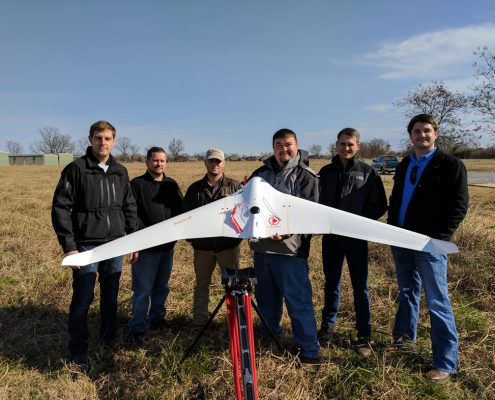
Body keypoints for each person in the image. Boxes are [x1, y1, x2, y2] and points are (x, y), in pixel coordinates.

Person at [387, 114, 468, 381]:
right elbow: (397, 198)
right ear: (410, 135)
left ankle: (445, 362)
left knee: (437, 300)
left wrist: (439, 238)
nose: (421, 135)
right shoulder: (404, 164)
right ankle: (402, 341)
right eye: (416, 131)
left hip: (430, 244)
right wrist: (391, 228)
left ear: (436, 133)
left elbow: (459, 206)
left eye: (426, 131)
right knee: (407, 292)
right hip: (401, 241)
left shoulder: (450, 165)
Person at [51, 120, 139, 367]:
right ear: (90, 139)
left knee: (110, 296)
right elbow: (60, 208)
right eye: (99, 138)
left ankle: (108, 338)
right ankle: (78, 349)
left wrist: (133, 240)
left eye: (108, 138)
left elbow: (129, 207)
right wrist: (69, 246)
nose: (103, 142)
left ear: (114, 141)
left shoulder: (120, 171)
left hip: (114, 245)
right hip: (86, 246)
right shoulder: (76, 169)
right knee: (83, 298)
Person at [249, 128, 320, 363]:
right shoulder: (259, 174)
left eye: (288, 144)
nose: (284, 149)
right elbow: (249, 204)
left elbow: (310, 213)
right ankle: (269, 336)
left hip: (290, 253)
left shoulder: (306, 176)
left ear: (296, 146)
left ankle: (308, 349)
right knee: (266, 299)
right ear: (273, 148)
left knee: (298, 302)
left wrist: (285, 231)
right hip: (261, 251)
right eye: (279, 145)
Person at [318, 128, 387, 357]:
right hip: (331, 239)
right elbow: (317, 203)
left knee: (361, 287)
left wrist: (359, 222)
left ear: (358, 146)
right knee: (331, 284)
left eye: (350, 144)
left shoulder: (368, 172)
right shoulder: (325, 172)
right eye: (342, 144)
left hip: (356, 240)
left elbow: (379, 205)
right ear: (336, 145)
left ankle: (364, 334)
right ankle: (328, 326)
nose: (346, 148)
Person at [127, 147, 183, 342]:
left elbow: (180, 211)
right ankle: (138, 325)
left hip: (167, 247)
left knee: (162, 286)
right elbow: (131, 215)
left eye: (162, 161)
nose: (159, 164)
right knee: (143, 289)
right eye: (155, 160)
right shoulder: (137, 184)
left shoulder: (171, 184)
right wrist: (139, 238)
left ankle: (157, 318)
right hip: (146, 248)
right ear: (147, 162)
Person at [183, 148, 242, 327]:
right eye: (211, 161)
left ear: (224, 163)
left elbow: (242, 215)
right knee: (201, 285)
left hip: (228, 247)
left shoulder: (235, 187)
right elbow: (186, 216)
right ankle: (200, 320)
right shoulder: (194, 189)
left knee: (233, 286)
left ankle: (235, 321)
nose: (215, 164)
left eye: (218, 161)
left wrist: (236, 239)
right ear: (205, 163)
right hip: (203, 249)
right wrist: (194, 241)